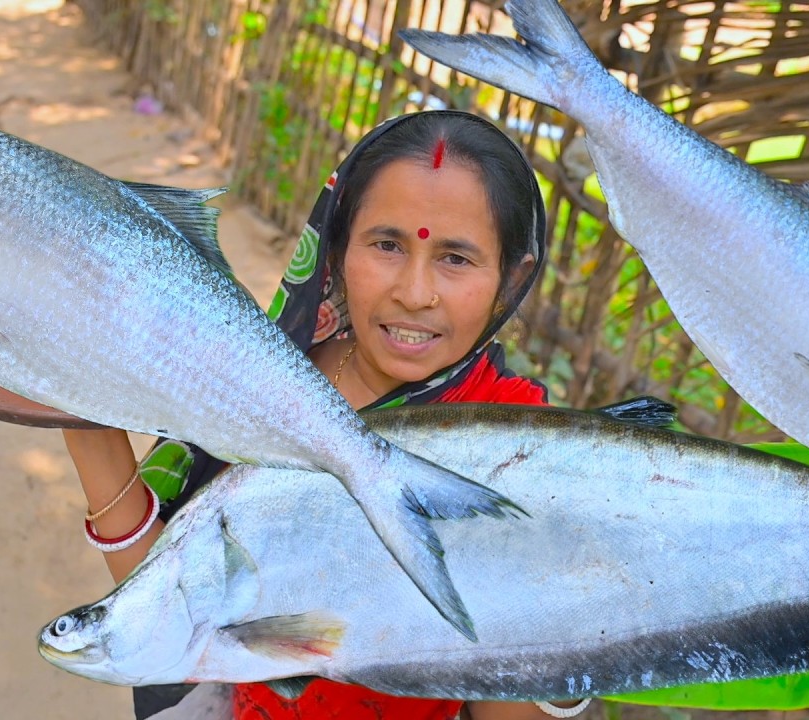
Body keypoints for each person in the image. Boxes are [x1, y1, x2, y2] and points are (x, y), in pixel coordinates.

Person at [63, 110, 590, 720]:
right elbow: (167, 612)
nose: (416, 292)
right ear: (336, 252)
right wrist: (86, 428)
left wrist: (566, 624)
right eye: (387, 245)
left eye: (456, 258)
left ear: (511, 280)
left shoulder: (517, 438)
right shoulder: (268, 377)